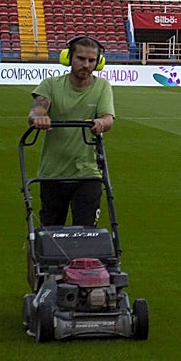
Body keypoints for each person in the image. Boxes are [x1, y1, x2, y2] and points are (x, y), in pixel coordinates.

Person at [28, 36, 115, 227]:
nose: (86, 65)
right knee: (48, 235)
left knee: (86, 233)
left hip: (88, 172)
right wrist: (39, 118)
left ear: (98, 62)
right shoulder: (51, 85)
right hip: (53, 173)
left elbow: (108, 118)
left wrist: (101, 122)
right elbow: (36, 111)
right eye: (81, 59)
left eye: (91, 60)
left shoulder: (102, 87)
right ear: (68, 58)